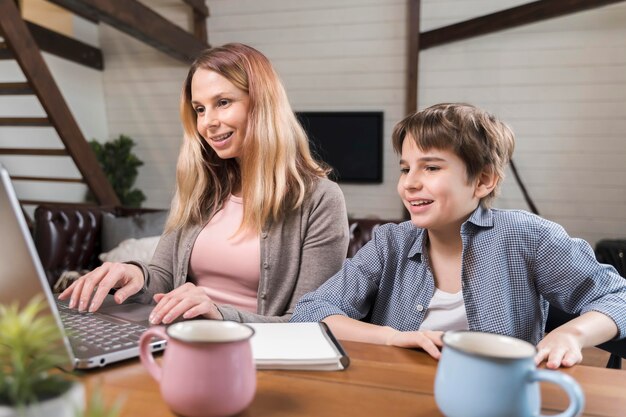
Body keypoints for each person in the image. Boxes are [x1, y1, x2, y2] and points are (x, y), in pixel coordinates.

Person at [291, 103, 626, 369]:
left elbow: (618, 297)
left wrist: (571, 334)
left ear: (483, 181)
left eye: (432, 167)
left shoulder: (528, 237)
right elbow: (313, 310)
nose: (409, 183)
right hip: (398, 391)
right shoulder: (389, 243)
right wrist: (392, 338)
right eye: (406, 167)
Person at [59, 43, 349, 323]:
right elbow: (163, 276)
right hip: (180, 340)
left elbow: (308, 322)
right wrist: (135, 275)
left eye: (222, 103)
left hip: (255, 356)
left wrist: (219, 314)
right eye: (199, 109)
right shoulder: (199, 187)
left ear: (262, 104)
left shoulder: (319, 199)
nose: (207, 122)